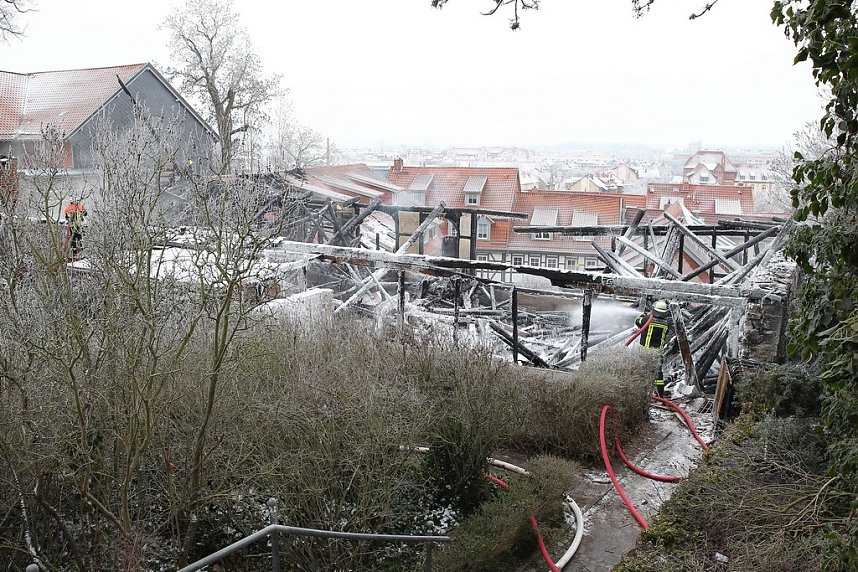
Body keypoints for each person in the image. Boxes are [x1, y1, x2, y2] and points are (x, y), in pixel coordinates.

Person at [634, 299, 672, 397]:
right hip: (658, 353)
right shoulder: (666, 323)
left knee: (641, 371)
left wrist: (643, 315)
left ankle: (640, 394)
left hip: (645, 351)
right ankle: (660, 394)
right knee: (658, 374)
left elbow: (638, 322)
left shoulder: (647, 319)